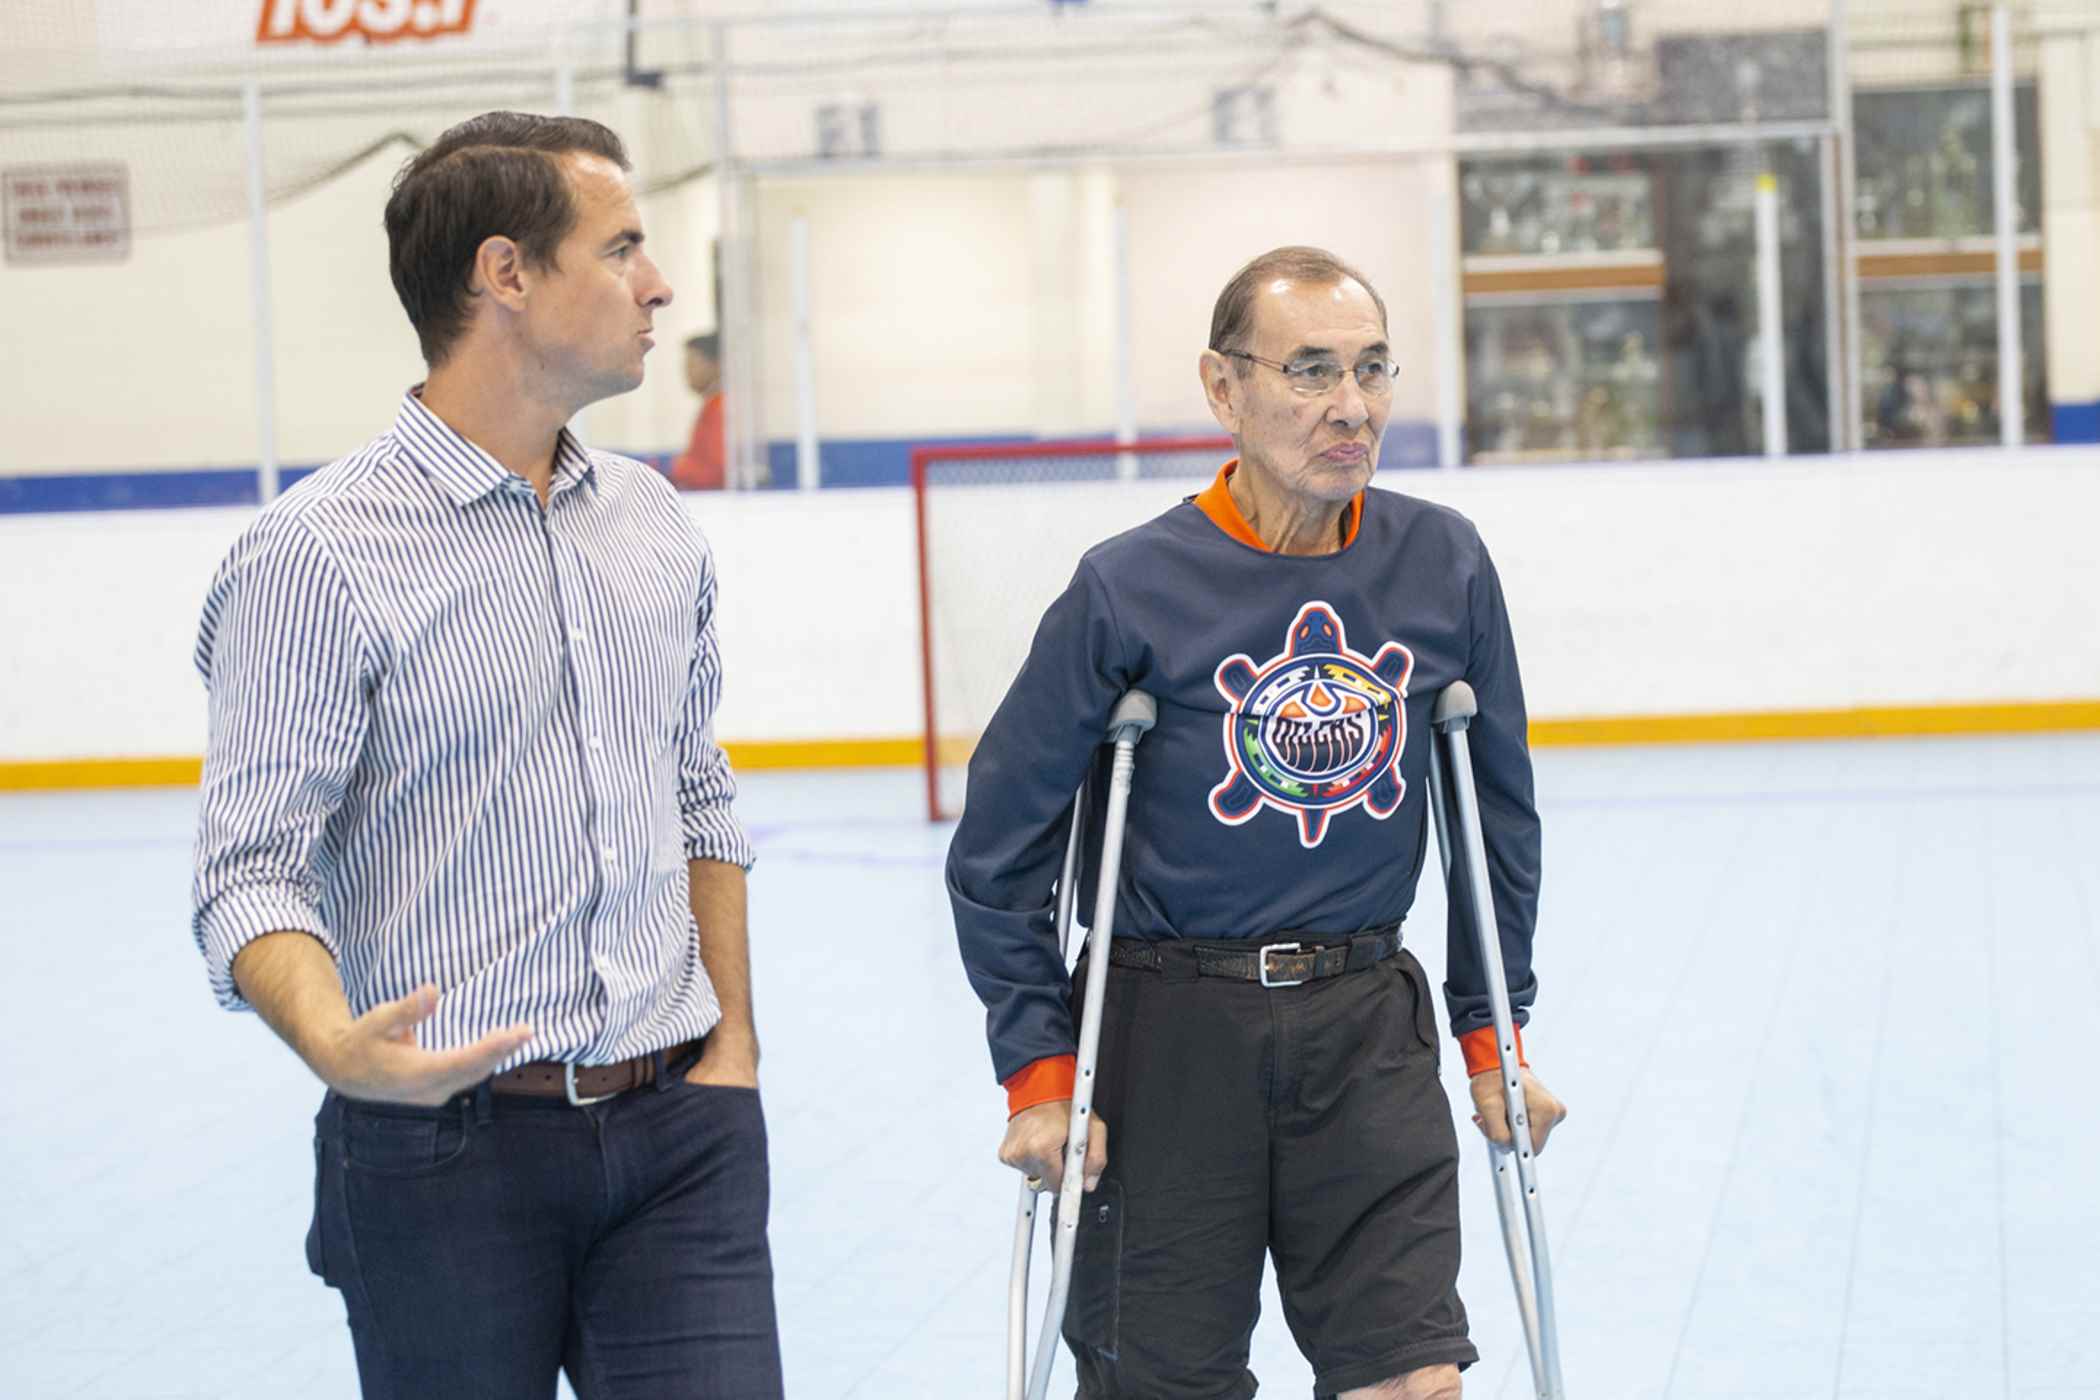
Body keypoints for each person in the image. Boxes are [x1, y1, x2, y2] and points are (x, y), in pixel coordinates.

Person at [189, 111, 782, 1400]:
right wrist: (337, 1045)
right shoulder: (316, 555)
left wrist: (731, 1050)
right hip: (439, 1154)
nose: (658, 285)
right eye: (621, 247)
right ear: (505, 273)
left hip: (681, 1133)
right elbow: (249, 870)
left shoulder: (652, 522)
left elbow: (699, 794)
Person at [949, 246, 1567, 1400]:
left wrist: (1496, 1037)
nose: (1352, 406)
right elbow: (998, 852)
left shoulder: (1442, 561)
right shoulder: (1127, 587)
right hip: (1166, 1034)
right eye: (1312, 370)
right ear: (1224, 387)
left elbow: (1497, 821)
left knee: (1415, 1378)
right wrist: (1039, 1071)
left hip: (1365, 1024)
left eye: (1374, 368)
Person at [670, 331, 726, 489]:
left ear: (716, 365)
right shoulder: (712, 404)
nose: (687, 372)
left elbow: (716, 471)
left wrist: (679, 467)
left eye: (692, 364)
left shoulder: (720, 407)